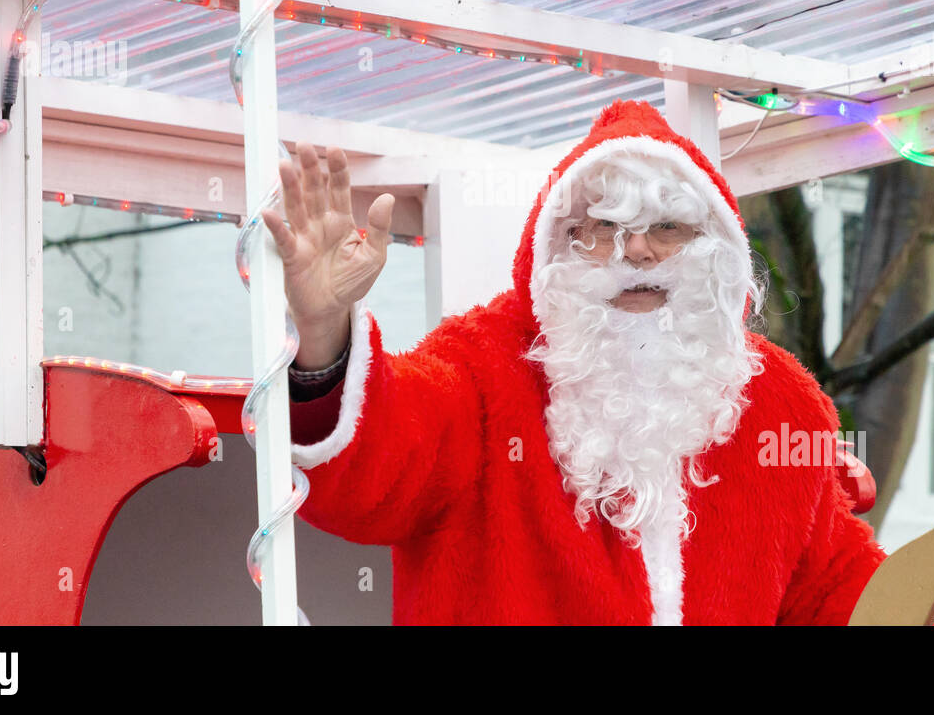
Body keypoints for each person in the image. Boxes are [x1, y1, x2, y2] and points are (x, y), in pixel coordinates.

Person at [263, 99, 885, 625]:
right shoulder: (482, 368)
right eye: (605, 228)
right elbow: (377, 473)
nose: (637, 251)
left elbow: (839, 588)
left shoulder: (778, 401)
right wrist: (324, 333)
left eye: (667, 226)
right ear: (558, 246)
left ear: (715, 246)